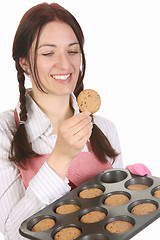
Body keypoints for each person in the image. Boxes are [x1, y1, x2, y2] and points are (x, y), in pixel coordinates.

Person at [0, 3, 151, 240]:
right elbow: (13, 233)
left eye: (72, 51)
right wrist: (60, 157)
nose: (65, 65)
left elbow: (115, 223)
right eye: (48, 53)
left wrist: (130, 190)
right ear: (24, 62)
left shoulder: (105, 128)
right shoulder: (4, 131)